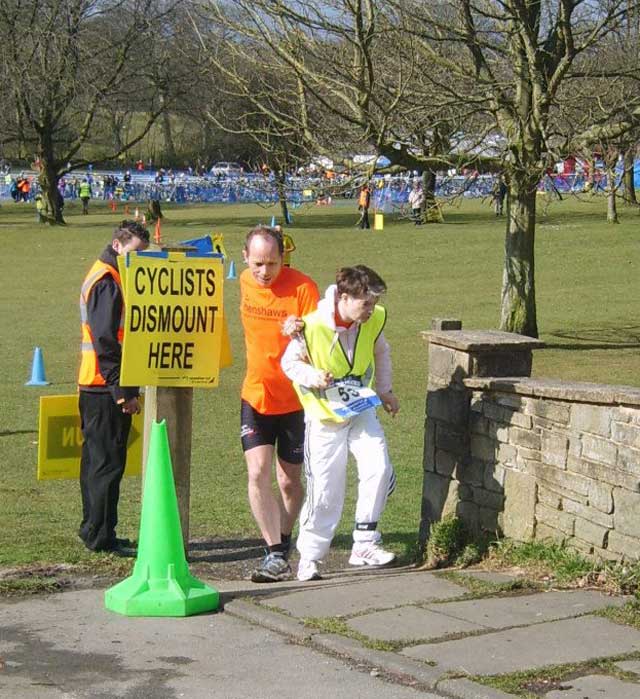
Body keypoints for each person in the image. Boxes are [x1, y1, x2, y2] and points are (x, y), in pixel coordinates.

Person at [281, 265, 399, 582]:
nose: (370, 310)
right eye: (365, 304)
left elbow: (381, 350)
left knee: (379, 466)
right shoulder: (311, 325)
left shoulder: (373, 320)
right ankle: (309, 557)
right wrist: (313, 376)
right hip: (323, 415)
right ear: (345, 297)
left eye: (374, 304)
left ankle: (364, 543)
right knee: (326, 488)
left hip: (360, 405)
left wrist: (385, 390)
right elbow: (289, 362)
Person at [240, 225, 320, 582]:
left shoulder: (303, 288)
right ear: (245, 259)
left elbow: (322, 341)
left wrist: (301, 330)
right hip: (255, 395)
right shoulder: (243, 282)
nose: (264, 272)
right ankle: (274, 552)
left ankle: (284, 542)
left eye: (272, 263)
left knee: (289, 482)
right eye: (257, 263)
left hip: (295, 401)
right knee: (257, 472)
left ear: (282, 258)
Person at [78, 220, 150, 556]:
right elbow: (106, 339)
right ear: (118, 245)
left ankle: (95, 529)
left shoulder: (105, 273)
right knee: (107, 464)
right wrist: (122, 391)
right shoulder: (108, 281)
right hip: (104, 386)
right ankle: (102, 535)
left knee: (96, 462)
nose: (137, 260)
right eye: (135, 252)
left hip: (95, 383)